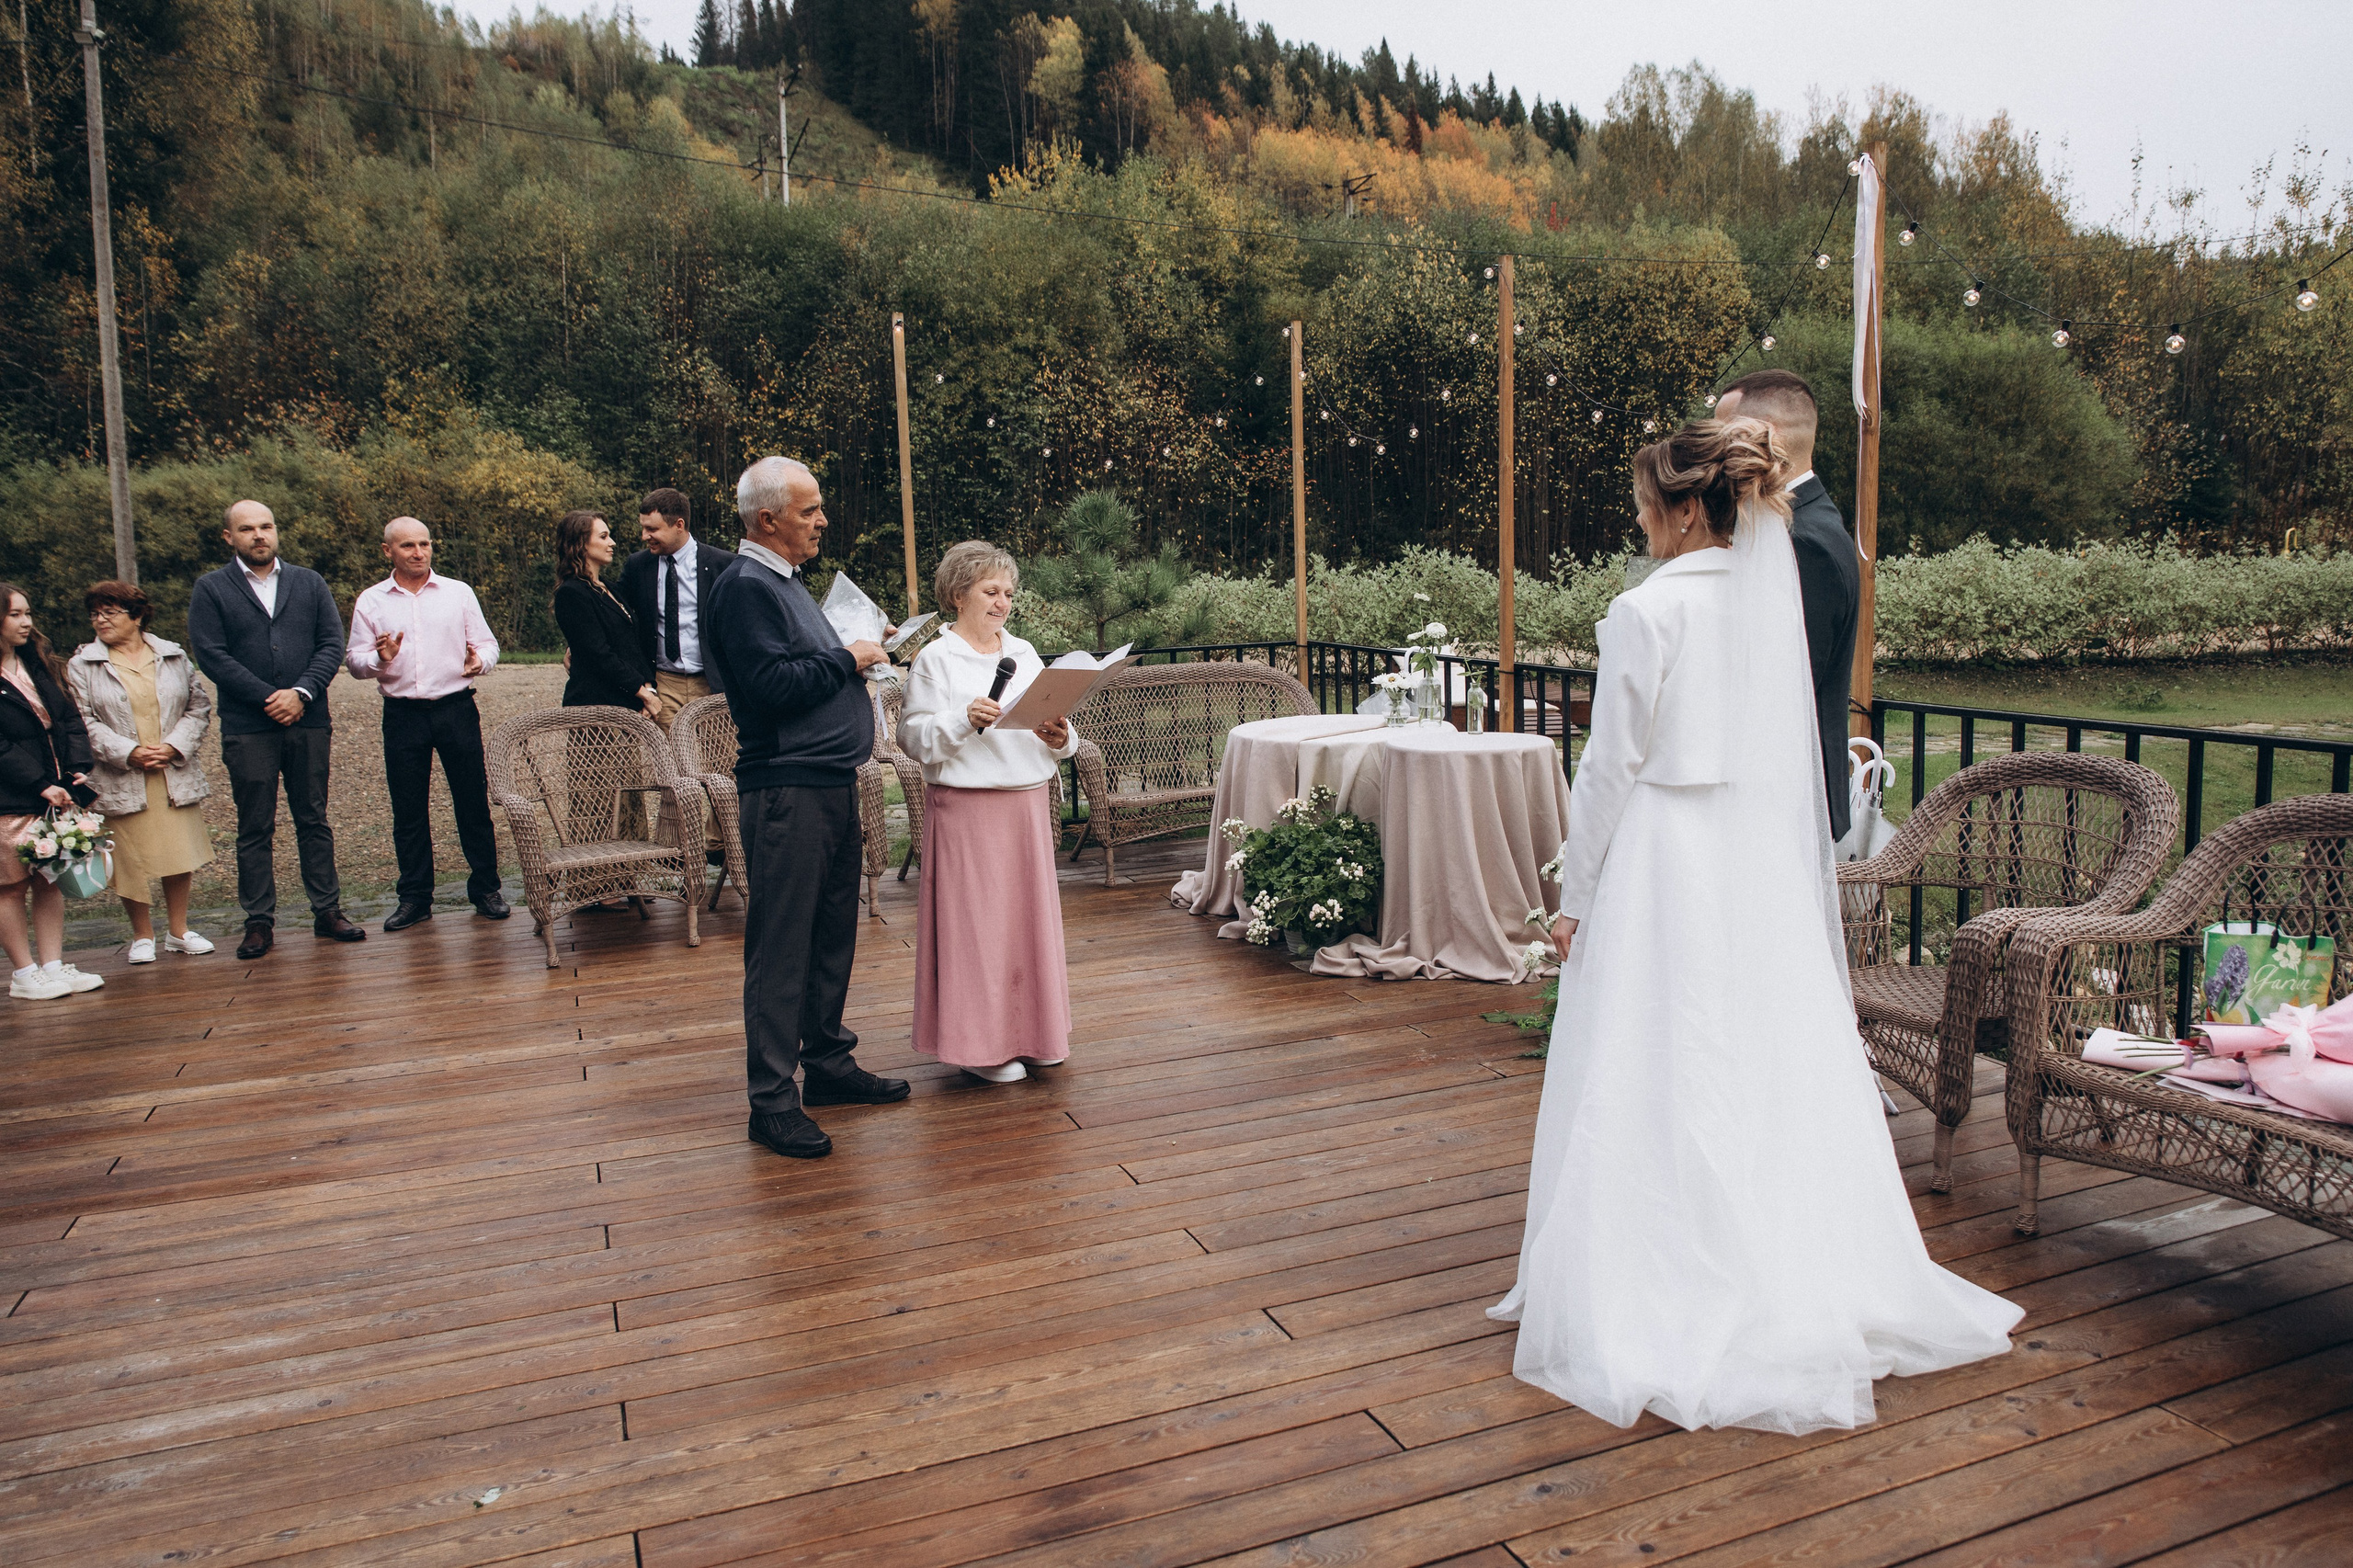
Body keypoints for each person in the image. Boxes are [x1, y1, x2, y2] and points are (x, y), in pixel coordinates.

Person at [1489, 419, 2019, 1437]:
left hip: (1664, 858)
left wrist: (1573, 896)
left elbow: (1608, 767)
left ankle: (1658, 1272)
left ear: (1688, 508)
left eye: (1646, 505)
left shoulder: (1645, 609)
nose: (1641, 522)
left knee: (1654, 1052)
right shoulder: (1769, 598)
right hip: (1753, 859)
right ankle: (1785, 1259)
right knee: (1757, 1053)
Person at [705, 456, 908, 1160]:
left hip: (828, 783)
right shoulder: (745, 587)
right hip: (786, 789)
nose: (822, 520)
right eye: (809, 509)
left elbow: (804, 669)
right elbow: (770, 687)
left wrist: (861, 651)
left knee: (829, 936)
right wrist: (849, 658)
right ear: (767, 519)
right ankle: (770, 1103)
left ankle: (826, 1064)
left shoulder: (786, 583)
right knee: (782, 946)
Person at [897, 540, 1079, 1085]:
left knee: (1027, 928)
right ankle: (980, 1049)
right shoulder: (936, 659)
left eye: (1009, 593)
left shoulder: (1023, 652)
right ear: (959, 594)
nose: (1003, 603)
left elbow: (1058, 725)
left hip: (1027, 804)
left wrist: (1062, 738)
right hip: (968, 809)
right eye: (991, 591)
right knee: (978, 932)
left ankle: (1035, 1035)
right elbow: (911, 737)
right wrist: (963, 719)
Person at [186, 500, 365, 960]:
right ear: (229, 537)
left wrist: (301, 693)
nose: (259, 535)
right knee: (254, 826)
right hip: (249, 725)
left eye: (266, 526)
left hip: (309, 719)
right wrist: (270, 697)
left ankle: (327, 911)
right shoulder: (211, 588)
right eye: (247, 529)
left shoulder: (309, 582)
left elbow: (331, 643)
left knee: (313, 818)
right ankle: (259, 921)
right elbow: (211, 655)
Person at [1714, 369, 1859, 842]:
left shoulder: (1806, 542)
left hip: (1787, 802)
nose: (1713, 452)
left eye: (1722, 435)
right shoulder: (1795, 522)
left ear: (1766, 437)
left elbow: (1783, 691)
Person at [346, 517, 510, 932]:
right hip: (403, 714)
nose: (419, 553)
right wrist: (380, 658)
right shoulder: (372, 600)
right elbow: (354, 662)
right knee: (408, 809)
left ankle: (486, 890)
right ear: (388, 551)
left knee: (472, 802)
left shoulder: (458, 592)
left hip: (456, 708)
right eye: (408, 546)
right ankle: (415, 898)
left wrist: (479, 661)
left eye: (425, 544)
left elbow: (488, 644)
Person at [65, 581, 217, 965]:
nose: (100, 620)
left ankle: (179, 931)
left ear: (136, 616)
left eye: (109, 612)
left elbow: (198, 706)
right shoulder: (82, 664)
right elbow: (81, 720)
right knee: (129, 857)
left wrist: (174, 746)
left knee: (177, 850)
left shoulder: (173, 655)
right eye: (94, 614)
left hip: (171, 770)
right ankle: (142, 935)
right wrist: (128, 752)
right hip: (120, 775)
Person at [0, 584, 104, 1000]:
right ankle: (24, 975)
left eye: (28, 613)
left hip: (55, 792)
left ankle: (53, 966)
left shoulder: (37, 663)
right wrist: (38, 783)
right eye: (15, 614)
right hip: (11, 798)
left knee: (49, 879)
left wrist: (77, 768)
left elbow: (70, 719)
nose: (26, 622)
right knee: (10, 886)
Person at [619, 488, 736, 731]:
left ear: (679, 525)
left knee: (721, 753)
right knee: (672, 754)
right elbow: (614, 613)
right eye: (643, 528)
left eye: (652, 529)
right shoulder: (637, 566)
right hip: (664, 684)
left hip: (713, 684)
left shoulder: (723, 564)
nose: (644, 536)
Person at [552, 511, 660, 721]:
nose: (612, 543)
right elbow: (598, 655)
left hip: (627, 706)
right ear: (581, 544)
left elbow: (632, 644)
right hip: (594, 709)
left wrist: (649, 688)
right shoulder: (571, 593)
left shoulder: (611, 589)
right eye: (603, 537)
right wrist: (643, 693)